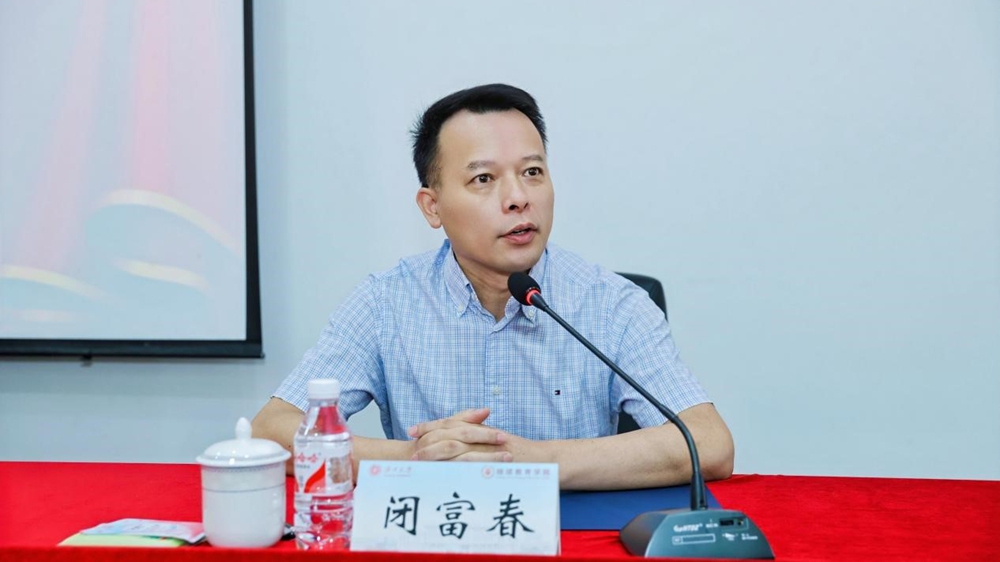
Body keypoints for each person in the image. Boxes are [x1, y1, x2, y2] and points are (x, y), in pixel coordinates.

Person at [252, 84, 734, 491]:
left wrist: (534, 461)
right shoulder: (385, 303)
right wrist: (418, 458)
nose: (518, 198)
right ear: (432, 207)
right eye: (484, 178)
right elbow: (272, 431)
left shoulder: (611, 304)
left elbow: (709, 443)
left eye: (532, 172)